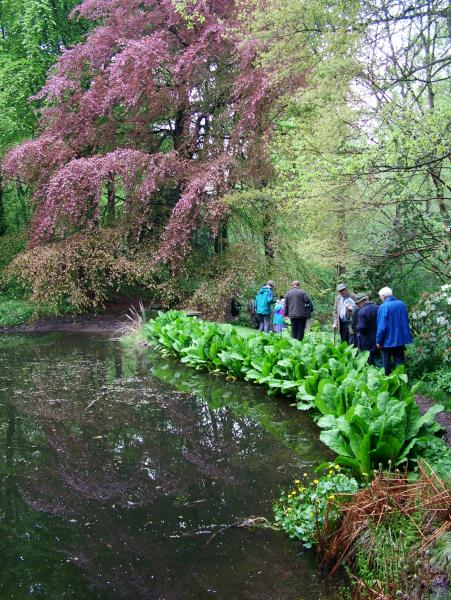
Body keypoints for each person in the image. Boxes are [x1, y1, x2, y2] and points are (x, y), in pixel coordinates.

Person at [376, 286, 413, 375]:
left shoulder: (383, 306)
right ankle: (401, 382)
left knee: (387, 364)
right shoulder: (401, 304)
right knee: (399, 362)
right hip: (400, 339)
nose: (380, 298)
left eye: (380, 296)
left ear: (384, 296)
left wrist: (378, 341)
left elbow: (382, 327)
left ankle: (389, 383)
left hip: (387, 341)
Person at [355, 293, 381, 366]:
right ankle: (383, 375)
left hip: (367, 340)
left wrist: (357, 327)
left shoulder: (362, 311)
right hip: (379, 338)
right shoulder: (379, 308)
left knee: (368, 360)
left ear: (362, 301)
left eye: (358, 303)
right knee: (379, 359)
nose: (358, 305)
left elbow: (362, 327)